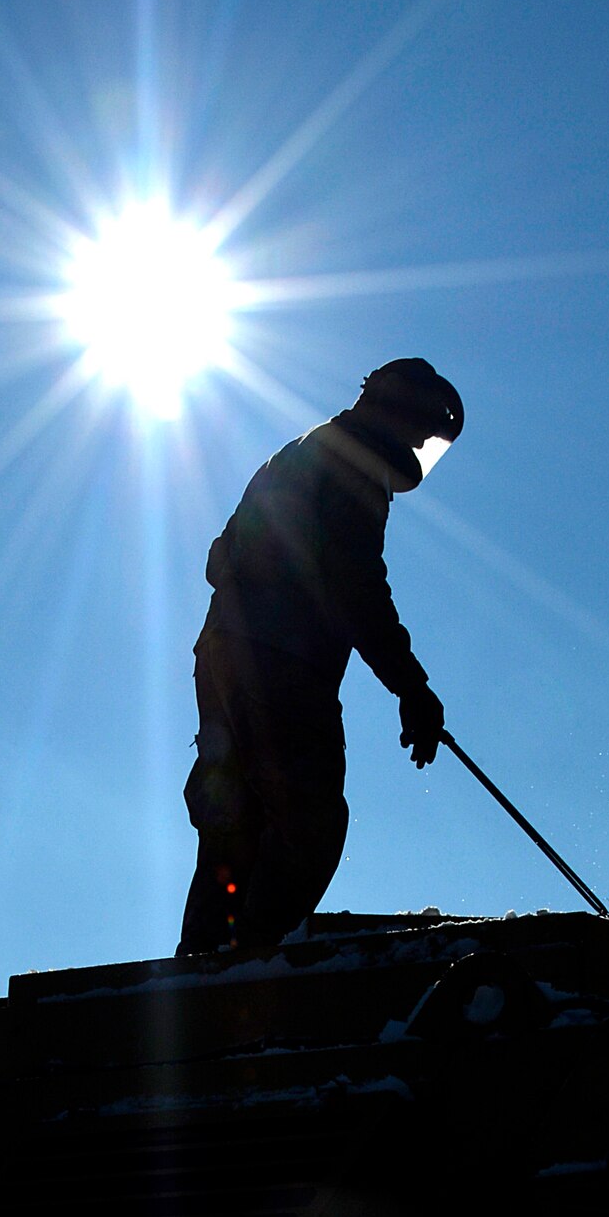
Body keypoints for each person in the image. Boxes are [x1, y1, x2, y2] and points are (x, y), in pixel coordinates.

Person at [177, 358, 464, 955]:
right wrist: (411, 688)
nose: (418, 447)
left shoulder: (303, 452)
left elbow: (221, 557)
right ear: (404, 414)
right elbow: (356, 584)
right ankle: (253, 964)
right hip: (280, 666)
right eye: (422, 431)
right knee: (310, 824)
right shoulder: (357, 465)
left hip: (223, 660)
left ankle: (202, 972)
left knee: (236, 825)